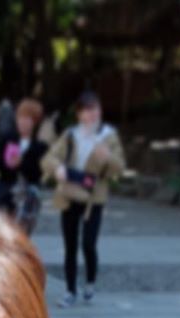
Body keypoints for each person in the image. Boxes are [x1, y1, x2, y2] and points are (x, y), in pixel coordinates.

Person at [41, 91, 125, 305]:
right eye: (87, 110)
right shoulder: (70, 135)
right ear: (79, 114)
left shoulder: (108, 136)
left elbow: (120, 167)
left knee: (88, 243)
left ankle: (90, 281)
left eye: (95, 109)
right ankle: (70, 290)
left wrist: (108, 157)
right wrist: (58, 168)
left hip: (93, 198)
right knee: (70, 244)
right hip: (69, 194)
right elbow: (48, 158)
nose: (92, 114)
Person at [0, 97, 47, 236]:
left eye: (28, 119)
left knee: (22, 235)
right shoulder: (7, 138)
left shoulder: (40, 146)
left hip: (27, 197)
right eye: (20, 117)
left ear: (35, 122)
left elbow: (38, 174)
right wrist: (7, 163)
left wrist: (22, 163)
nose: (23, 122)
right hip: (6, 192)